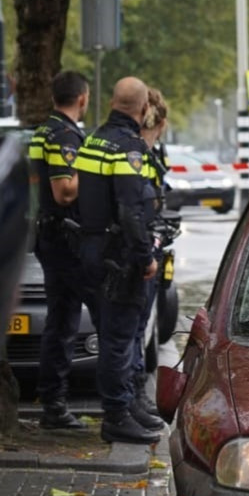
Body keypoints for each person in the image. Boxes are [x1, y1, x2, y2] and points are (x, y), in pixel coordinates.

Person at [73, 77, 163, 445]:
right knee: (119, 339)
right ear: (143, 110)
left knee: (113, 335)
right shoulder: (128, 148)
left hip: (90, 251)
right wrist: (145, 257)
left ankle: (125, 407)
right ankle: (116, 416)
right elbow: (129, 211)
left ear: (111, 102)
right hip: (120, 259)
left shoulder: (92, 140)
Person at [28, 70, 92, 430]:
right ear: (82, 98)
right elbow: (64, 192)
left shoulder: (42, 131)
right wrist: (87, 166)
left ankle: (52, 401)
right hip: (64, 240)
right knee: (72, 320)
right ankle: (55, 404)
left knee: (60, 320)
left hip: (48, 236)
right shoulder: (65, 135)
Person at [118, 87, 172, 433]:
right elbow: (137, 206)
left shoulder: (148, 154)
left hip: (143, 246)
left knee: (137, 329)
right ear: (159, 123)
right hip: (136, 251)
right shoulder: (139, 154)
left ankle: (135, 397)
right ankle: (133, 397)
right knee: (134, 330)